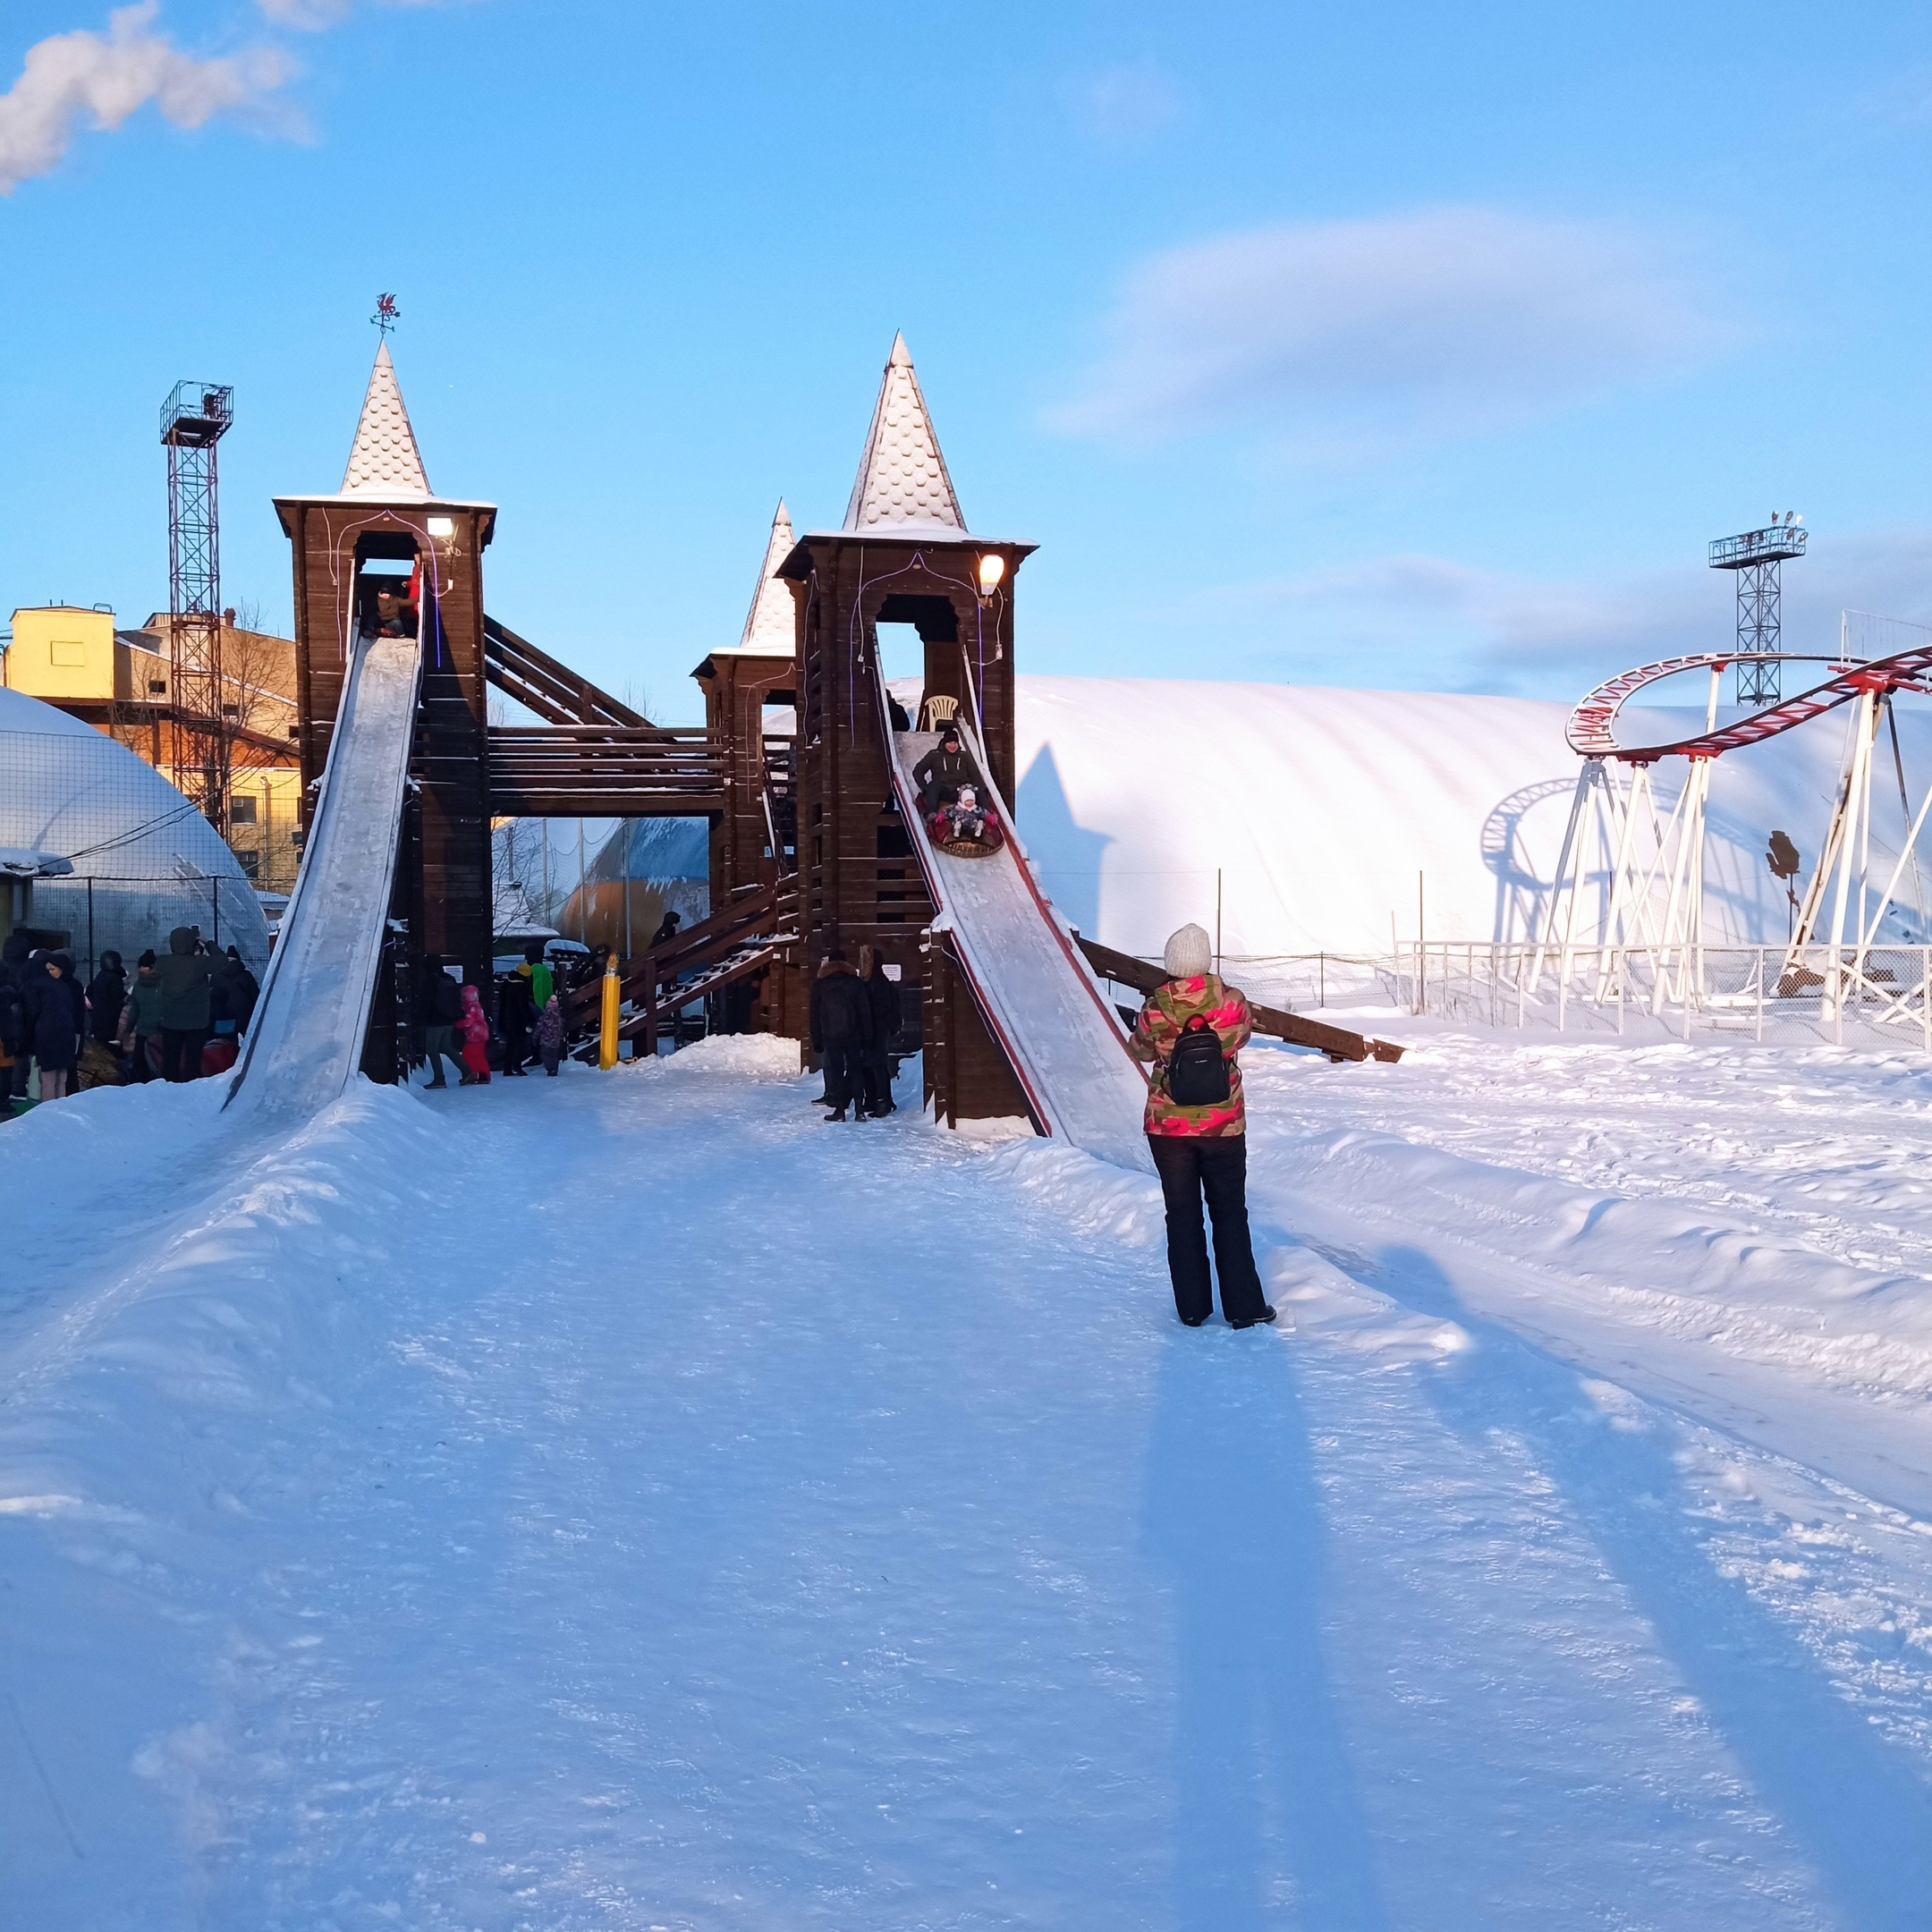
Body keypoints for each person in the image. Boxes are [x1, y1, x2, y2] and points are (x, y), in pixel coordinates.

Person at [1127, 921, 1276, 1330]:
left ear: (1171, 961)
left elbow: (1138, 1050)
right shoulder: (1232, 1003)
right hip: (1223, 1125)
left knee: (1182, 1213)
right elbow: (1242, 1037)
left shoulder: (1155, 1006)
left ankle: (1192, 1308)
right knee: (1229, 1212)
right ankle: (1245, 1307)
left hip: (1168, 1128)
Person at [809, 949, 872, 1122]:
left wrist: (817, 1039)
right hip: (854, 1035)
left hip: (831, 1036)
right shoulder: (856, 983)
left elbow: (814, 1015)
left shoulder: (820, 984)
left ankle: (839, 1111)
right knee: (855, 1070)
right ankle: (859, 1110)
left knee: (835, 1072)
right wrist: (867, 1035)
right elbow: (864, 1011)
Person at [22, 951, 86, 1102]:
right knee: (62, 1078)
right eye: (48, 970)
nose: (50, 973)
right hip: (68, 1035)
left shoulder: (41, 987)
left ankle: (49, 1111)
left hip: (51, 1036)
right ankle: (61, 1108)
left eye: (53, 969)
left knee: (49, 1079)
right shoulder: (64, 987)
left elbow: (32, 1013)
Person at [154, 925, 215, 1081]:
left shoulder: (162, 962)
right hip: (197, 1022)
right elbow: (222, 961)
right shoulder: (200, 963)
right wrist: (206, 942)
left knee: (170, 1059)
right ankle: (191, 1086)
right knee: (193, 1060)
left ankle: (168, 1086)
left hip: (171, 1020)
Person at [858, 946, 901, 1117]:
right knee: (869, 1064)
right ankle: (875, 1099)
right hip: (873, 1028)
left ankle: (883, 1102)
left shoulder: (878, 981)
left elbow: (883, 1006)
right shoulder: (872, 980)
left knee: (878, 1064)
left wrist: (866, 1012)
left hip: (878, 1029)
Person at [416, 953, 466, 1089]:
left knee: (432, 1050)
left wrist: (420, 1019)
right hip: (449, 1020)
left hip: (434, 1021)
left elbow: (426, 1002)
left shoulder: (430, 980)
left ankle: (439, 1079)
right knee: (447, 1047)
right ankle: (468, 1072)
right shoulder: (450, 978)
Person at [912, 724, 979, 816]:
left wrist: (977, 789)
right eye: (949, 743)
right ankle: (931, 813)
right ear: (944, 743)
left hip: (959, 791)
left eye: (955, 743)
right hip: (942, 790)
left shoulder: (964, 756)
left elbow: (975, 774)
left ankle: (976, 814)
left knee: (970, 789)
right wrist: (924, 787)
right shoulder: (934, 755)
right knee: (933, 785)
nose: (952, 745)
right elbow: (918, 771)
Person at [123, 950, 165, 1082]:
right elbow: (135, 1008)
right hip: (152, 1031)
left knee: (145, 1065)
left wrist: (129, 1029)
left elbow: (135, 1008)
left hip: (156, 1031)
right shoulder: (162, 983)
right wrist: (128, 1030)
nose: (140, 969)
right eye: (139, 966)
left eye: (144, 966)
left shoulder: (162, 984)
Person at [497, 970, 537, 1076]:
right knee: (519, 1045)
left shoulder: (507, 984)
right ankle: (517, 1067)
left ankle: (507, 1068)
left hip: (506, 1019)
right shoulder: (520, 987)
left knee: (510, 1045)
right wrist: (530, 1021)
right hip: (517, 1020)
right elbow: (523, 1006)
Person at [86, 951, 127, 1048]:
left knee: (100, 1046)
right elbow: (118, 999)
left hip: (98, 1016)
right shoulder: (115, 978)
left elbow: (88, 991)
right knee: (111, 1046)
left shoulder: (101, 975)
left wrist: (97, 1003)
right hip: (111, 1019)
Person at [216, 946, 259, 1034]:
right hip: (244, 1012)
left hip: (224, 1014)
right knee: (248, 1036)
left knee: (227, 1040)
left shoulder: (216, 976)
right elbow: (255, 995)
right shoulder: (246, 975)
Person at [456, 981, 492, 1085]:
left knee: (467, 1055)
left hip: (474, 1036)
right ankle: (484, 1076)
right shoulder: (477, 1004)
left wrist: (457, 1024)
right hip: (482, 1034)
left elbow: (469, 1021)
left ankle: (471, 1074)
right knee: (479, 1056)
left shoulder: (470, 1007)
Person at [517, 941, 554, 1014]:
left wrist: (538, 1009)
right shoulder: (544, 969)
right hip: (547, 1005)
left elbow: (537, 990)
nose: (526, 960)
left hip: (536, 1007)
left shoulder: (535, 970)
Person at [535, 993, 564, 1076]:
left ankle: (550, 1068)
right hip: (556, 1041)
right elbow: (560, 1029)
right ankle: (555, 1068)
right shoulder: (559, 1018)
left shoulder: (545, 1017)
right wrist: (561, 1038)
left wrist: (535, 1037)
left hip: (546, 1040)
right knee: (554, 1055)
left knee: (545, 1054)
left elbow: (539, 1028)